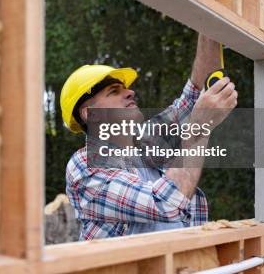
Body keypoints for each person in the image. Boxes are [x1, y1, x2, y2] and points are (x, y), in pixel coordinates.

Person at [60, 35, 238, 240]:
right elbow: (165, 203)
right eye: (114, 91)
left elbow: (196, 95)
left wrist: (209, 23)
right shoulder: (84, 166)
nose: (130, 92)